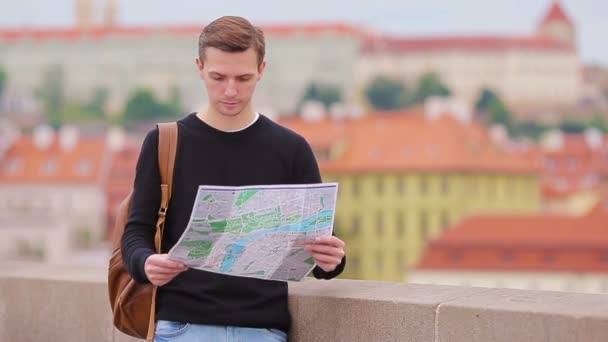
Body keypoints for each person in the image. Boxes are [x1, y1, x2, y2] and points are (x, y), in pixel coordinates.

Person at [121, 16, 346, 342]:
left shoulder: (291, 148)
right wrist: (146, 263)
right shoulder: (164, 143)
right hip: (182, 326)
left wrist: (332, 259)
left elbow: (321, 249)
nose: (230, 90)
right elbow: (135, 233)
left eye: (243, 78)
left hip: (264, 330)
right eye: (218, 77)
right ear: (199, 67)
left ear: (262, 70)